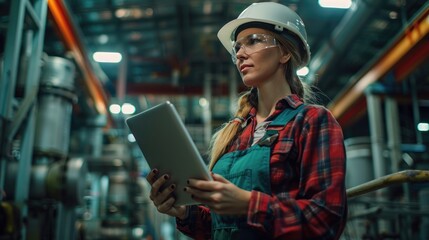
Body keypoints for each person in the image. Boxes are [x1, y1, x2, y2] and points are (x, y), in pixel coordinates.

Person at [146, 2, 347, 239]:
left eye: (253, 41)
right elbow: (219, 226)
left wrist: (249, 205)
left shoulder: (312, 121)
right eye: (237, 47)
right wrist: (184, 213)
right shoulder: (233, 134)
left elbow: (327, 220)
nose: (240, 53)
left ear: (284, 52)